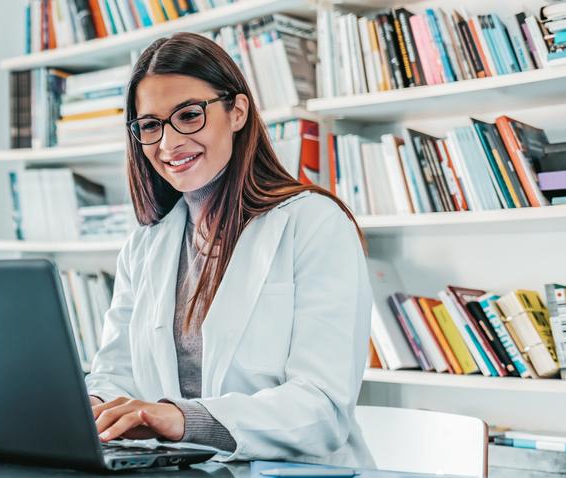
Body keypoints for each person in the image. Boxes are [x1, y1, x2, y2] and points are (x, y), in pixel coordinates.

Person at [85, 32, 374, 467]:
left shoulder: (314, 223)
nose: (167, 144)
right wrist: (92, 404)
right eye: (150, 126)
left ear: (237, 112)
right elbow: (116, 370)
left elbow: (321, 409)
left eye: (188, 115)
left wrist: (180, 418)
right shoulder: (146, 245)